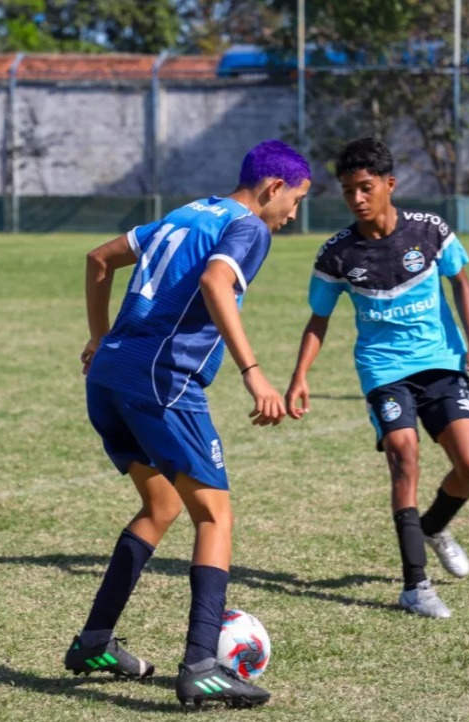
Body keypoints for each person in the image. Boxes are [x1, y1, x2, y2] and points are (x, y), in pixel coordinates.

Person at [64, 140, 311, 709]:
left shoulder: (188, 212)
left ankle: (93, 642)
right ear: (272, 188)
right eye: (294, 201)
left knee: (162, 507)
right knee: (214, 514)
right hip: (161, 380)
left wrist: (99, 337)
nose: (292, 215)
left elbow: (97, 259)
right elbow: (215, 284)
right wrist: (254, 373)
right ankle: (202, 663)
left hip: (109, 377)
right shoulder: (250, 228)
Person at [285, 137, 469, 619]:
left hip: (441, 362)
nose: (356, 199)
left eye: (365, 187)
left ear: (389, 185)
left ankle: (435, 526)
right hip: (383, 370)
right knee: (404, 455)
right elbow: (318, 320)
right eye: (347, 191)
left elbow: (461, 281)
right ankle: (415, 587)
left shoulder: (430, 231)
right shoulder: (336, 254)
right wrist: (299, 376)